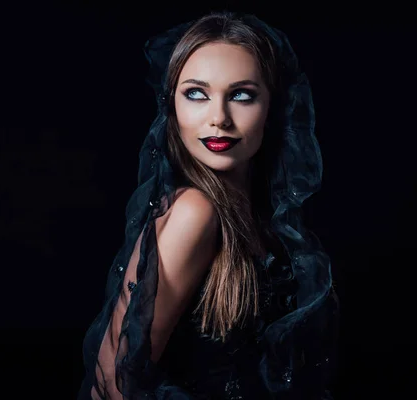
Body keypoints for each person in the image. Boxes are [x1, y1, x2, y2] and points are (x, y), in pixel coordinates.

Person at [78, 11, 339, 400]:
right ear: (173, 107)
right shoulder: (194, 212)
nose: (219, 118)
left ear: (272, 108)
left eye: (241, 95)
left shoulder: (261, 216)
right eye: (196, 93)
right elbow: (115, 382)